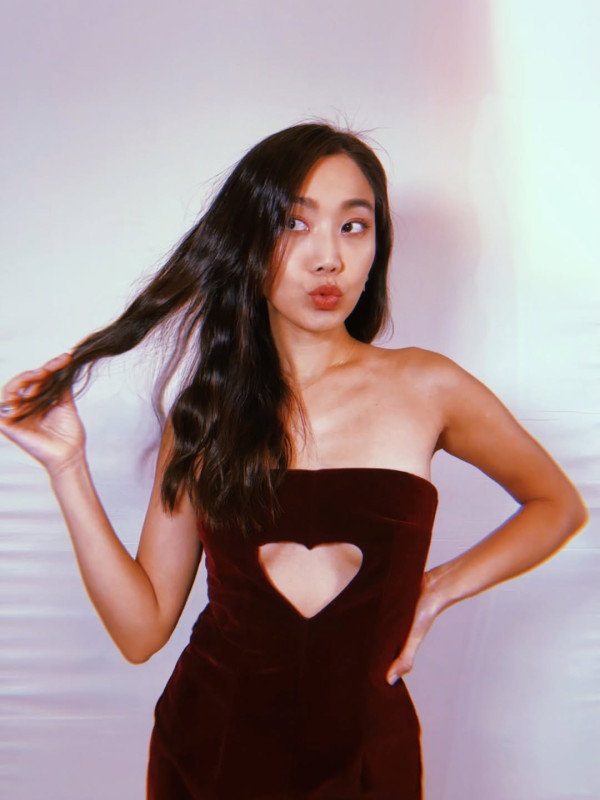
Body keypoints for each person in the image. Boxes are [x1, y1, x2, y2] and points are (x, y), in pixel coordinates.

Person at [0, 123, 587, 799]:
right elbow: (141, 631)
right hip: (212, 751)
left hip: (366, 758)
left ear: (377, 245)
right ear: (250, 241)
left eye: (354, 226)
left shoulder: (429, 387)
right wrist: (67, 469)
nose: (328, 258)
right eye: (294, 224)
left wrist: (438, 589)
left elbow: (557, 505)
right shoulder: (207, 412)